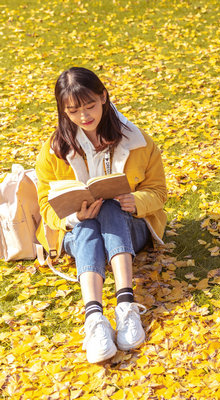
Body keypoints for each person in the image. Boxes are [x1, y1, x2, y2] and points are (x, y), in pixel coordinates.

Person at [35, 67, 167, 363]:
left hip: (130, 227)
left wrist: (135, 200)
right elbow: (45, 205)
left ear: (104, 97)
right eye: (74, 110)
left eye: (90, 105)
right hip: (79, 232)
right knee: (86, 227)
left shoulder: (138, 141)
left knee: (109, 206)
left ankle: (126, 306)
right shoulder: (53, 150)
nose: (84, 116)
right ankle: (94, 318)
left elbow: (159, 193)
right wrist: (74, 218)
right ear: (63, 111)